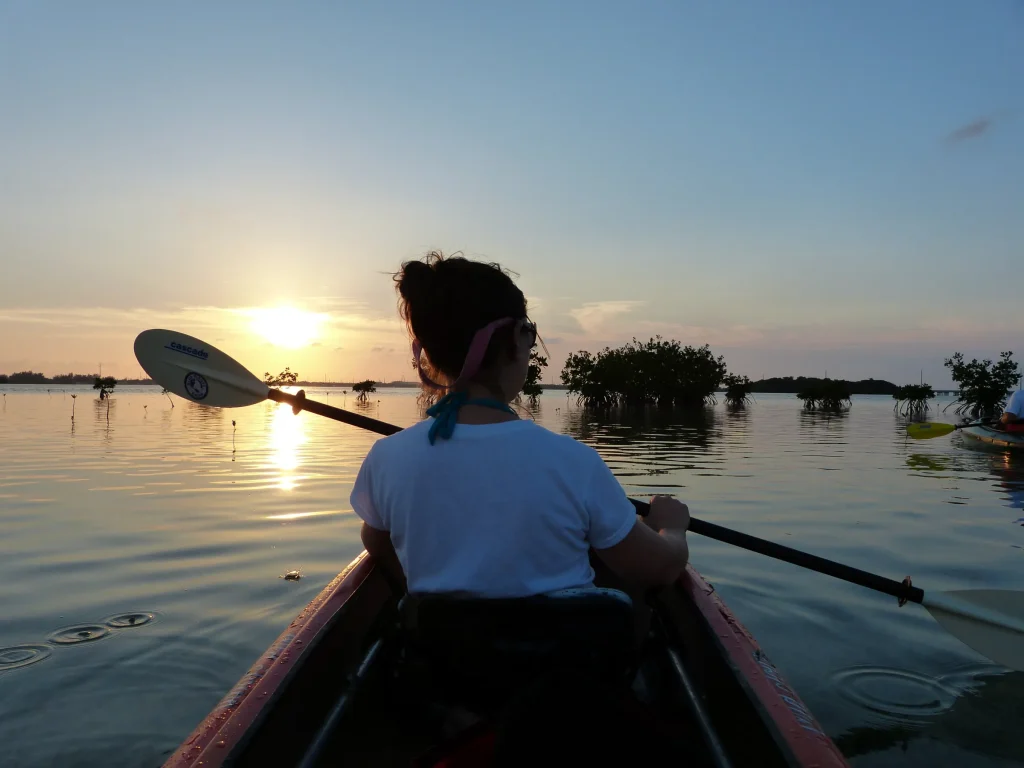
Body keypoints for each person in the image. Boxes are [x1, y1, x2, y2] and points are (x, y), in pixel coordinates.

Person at [349, 251, 690, 603]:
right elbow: (660, 568)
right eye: (529, 333)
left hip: (445, 656)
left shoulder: (388, 457)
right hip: (564, 656)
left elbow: (375, 541)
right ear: (514, 339)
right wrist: (672, 527)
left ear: (429, 354)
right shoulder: (573, 462)